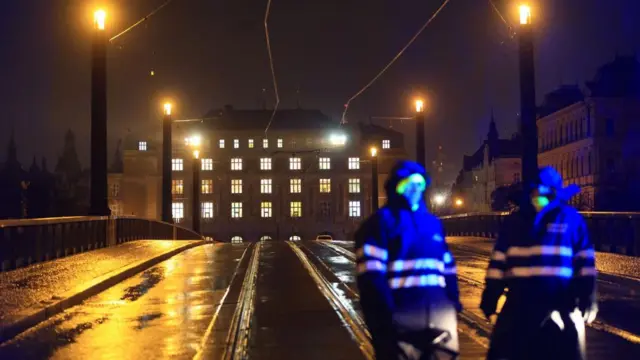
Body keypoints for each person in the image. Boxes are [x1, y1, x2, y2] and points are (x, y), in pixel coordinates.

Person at [480, 166, 598, 360]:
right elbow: (585, 265)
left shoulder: (518, 222)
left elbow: (585, 265)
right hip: (548, 309)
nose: (539, 198)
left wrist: (490, 300)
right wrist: (588, 300)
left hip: (537, 309)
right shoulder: (571, 220)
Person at [355, 160, 461, 360]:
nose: (414, 189)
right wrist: (385, 319)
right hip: (400, 321)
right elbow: (371, 278)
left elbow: (448, 269)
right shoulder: (378, 225)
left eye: (419, 184)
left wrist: (453, 302)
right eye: (407, 184)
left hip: (440, 319)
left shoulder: (432, 224)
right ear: (396, 187)